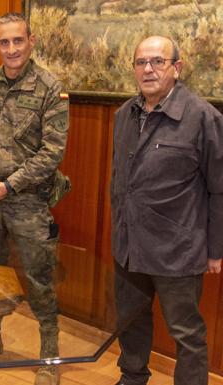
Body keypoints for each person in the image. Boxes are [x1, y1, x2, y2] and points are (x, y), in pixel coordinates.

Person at [0, 12, 68, 385]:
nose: (12, 49)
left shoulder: (50, 88)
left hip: (29, 203)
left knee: (39, 281)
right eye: (4, 42)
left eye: (18, 40)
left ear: (31, 41)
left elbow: (52, 152)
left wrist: (10, 184)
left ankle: (49, 356)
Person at [111, 36, 223, 385]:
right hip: (129, 247)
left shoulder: (204, 117)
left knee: (186, 334)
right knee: (130, 321)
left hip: (178, 249)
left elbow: (219, 188)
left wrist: (216, 250)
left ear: (177, 67)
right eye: (141, 62)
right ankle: (132, 378)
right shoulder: (124, 114)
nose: (148, 69)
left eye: (158, 62)